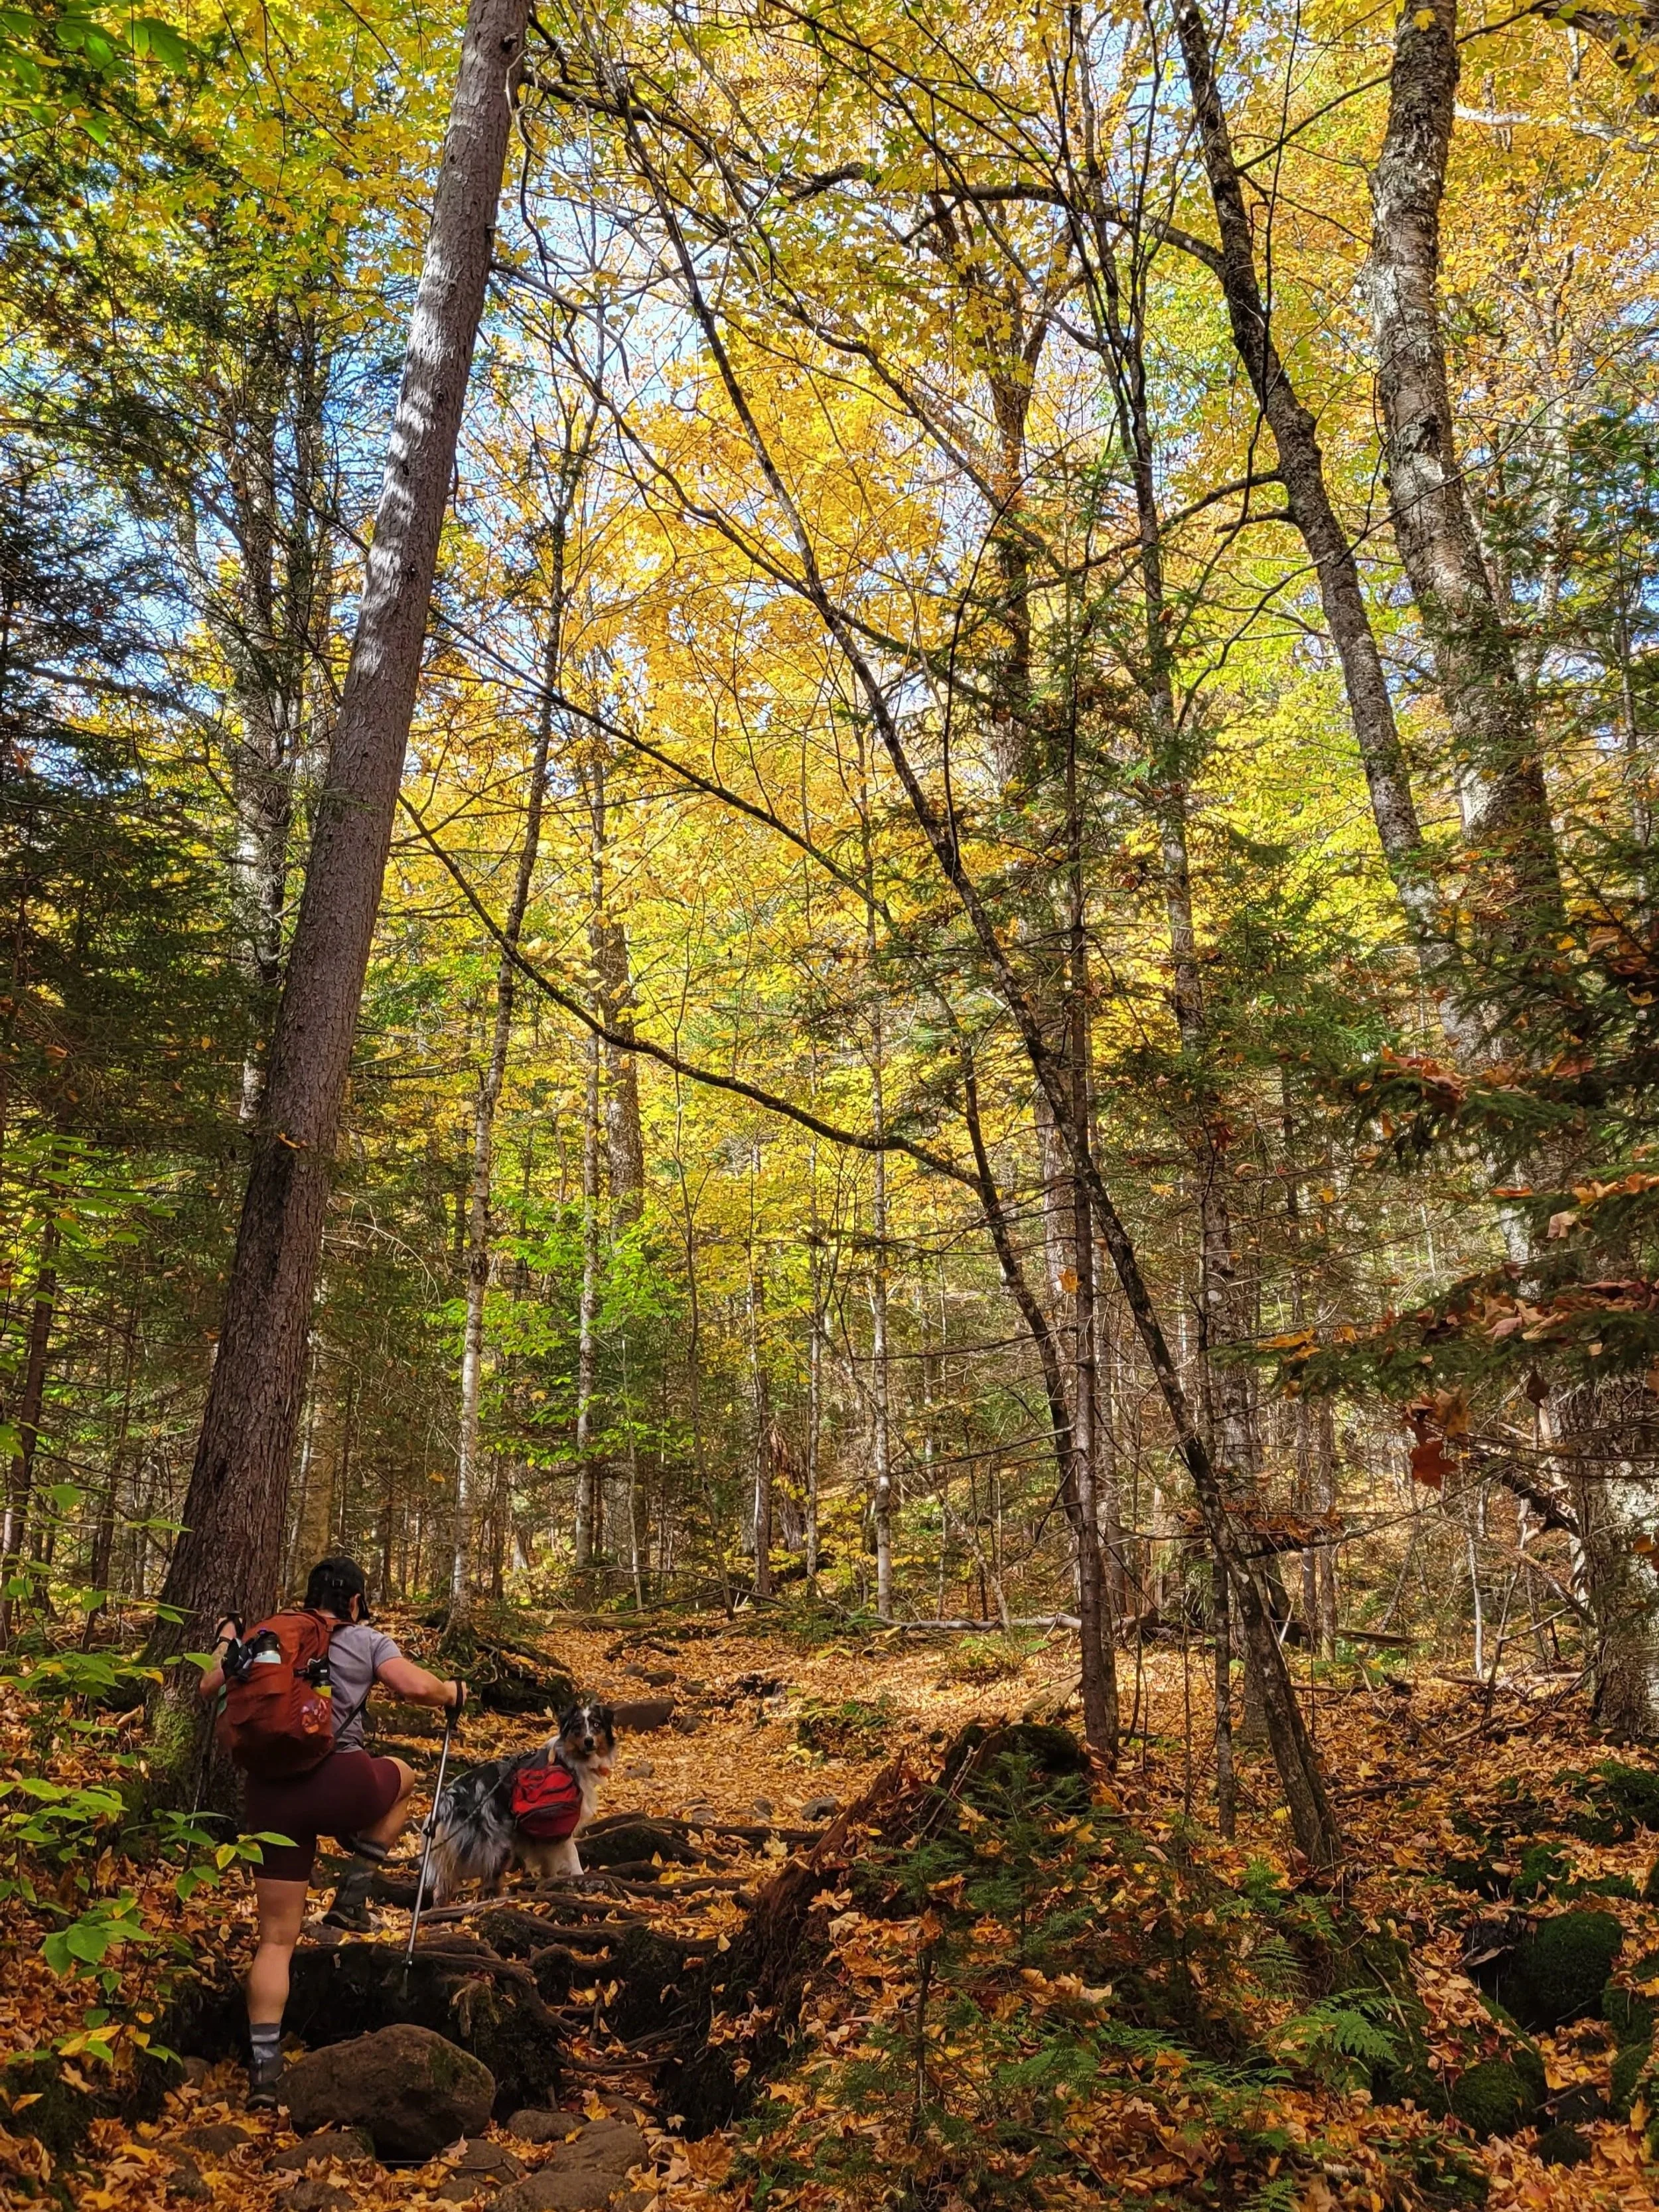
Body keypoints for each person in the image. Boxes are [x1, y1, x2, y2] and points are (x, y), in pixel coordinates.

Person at [196, 1555, 464, 2108]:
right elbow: (414, 1687)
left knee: (275, 1940)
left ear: (309, 1595)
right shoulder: (366, 1638)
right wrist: (451, 1692)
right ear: (356, 1601)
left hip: (270, 1800)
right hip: (342, 1783)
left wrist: (229, 1637)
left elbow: (207, 1687)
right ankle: (354, 1889)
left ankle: (265, 2075)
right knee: (406, 1776)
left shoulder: (270, 1634)